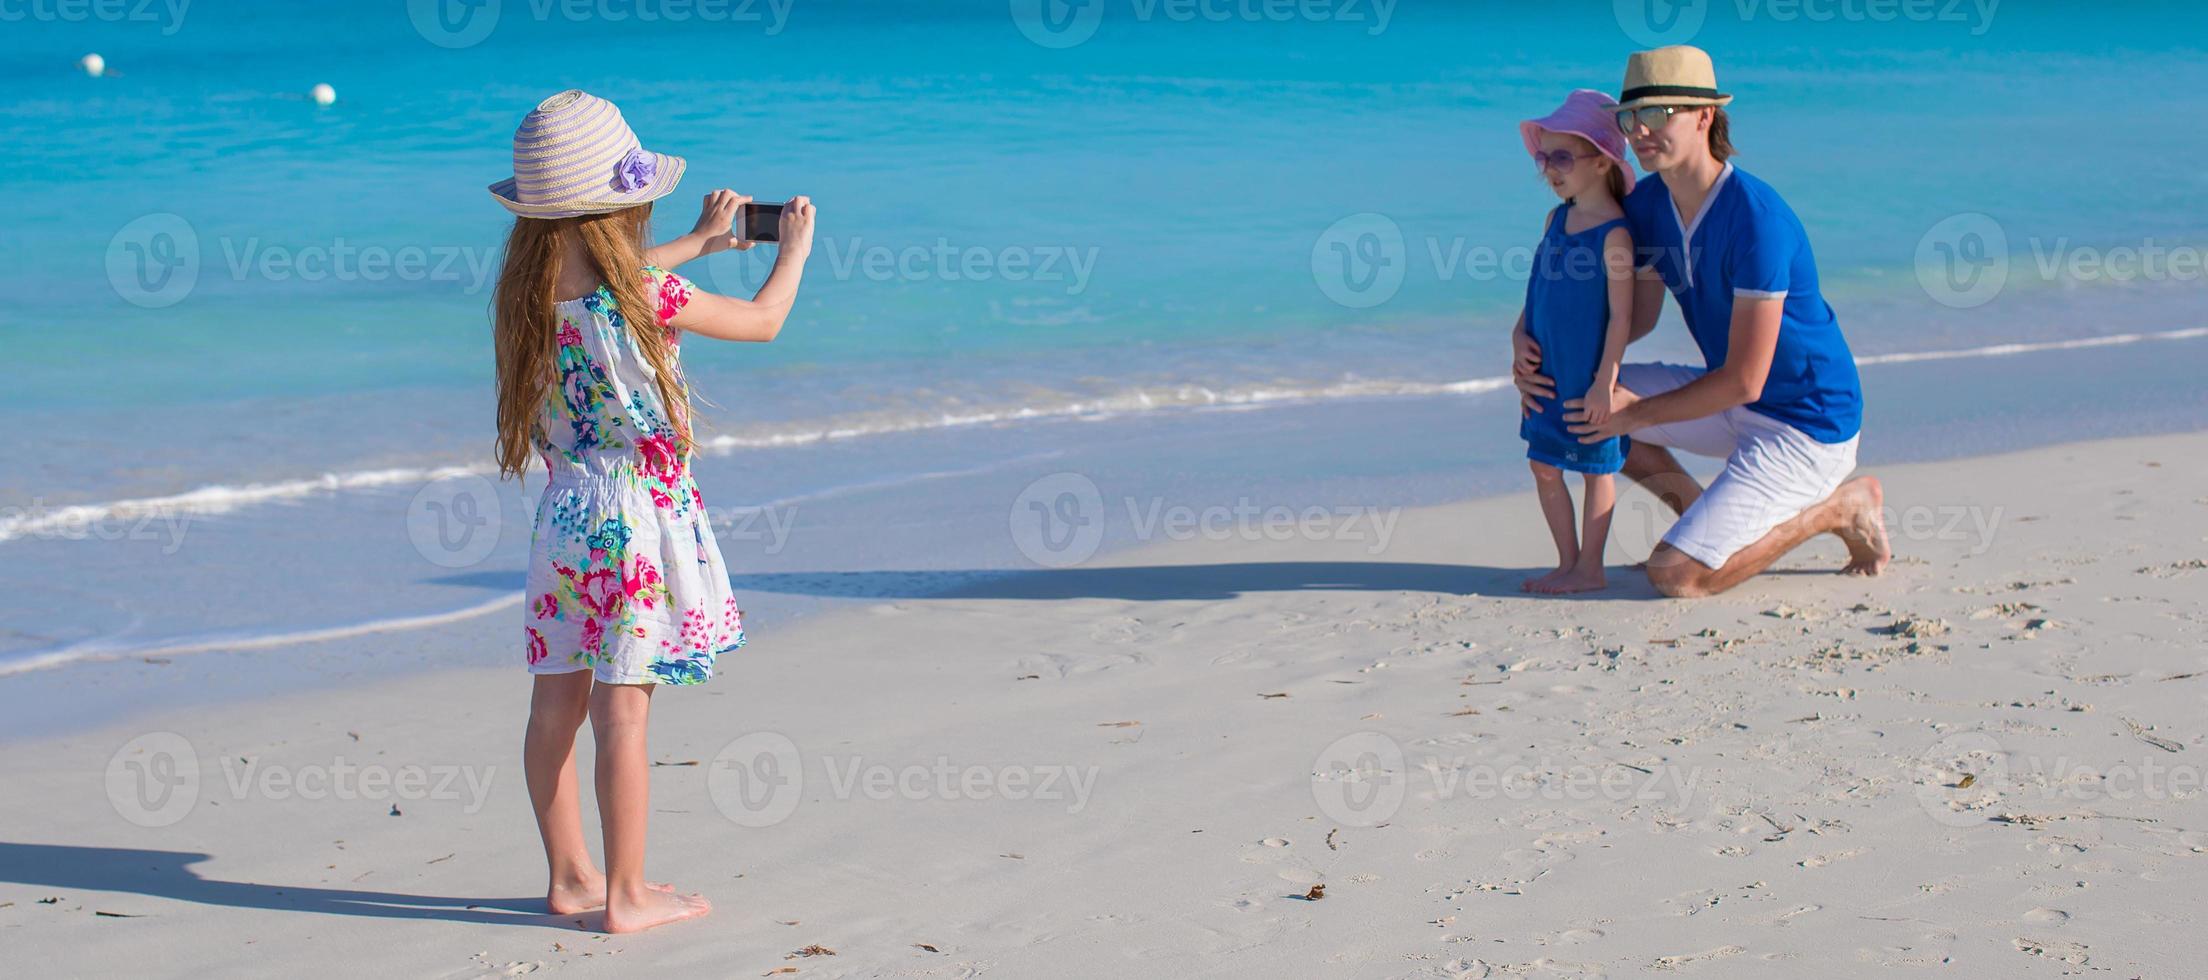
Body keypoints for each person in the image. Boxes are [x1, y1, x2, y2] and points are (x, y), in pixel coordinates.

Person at [487, 90, 816, 932]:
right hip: (634, 516)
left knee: (553, 703)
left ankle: (571, 877)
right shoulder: (649, 290)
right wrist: (795, 253)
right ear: (624, 203)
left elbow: (617, 283)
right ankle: (626, 895)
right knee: (623, 711)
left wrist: (701, 244)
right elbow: (764, 322)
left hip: (564, 514)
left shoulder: (526, 292)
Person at [1512, 47, 1888, 597]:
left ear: (1704, 116)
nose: (1640, 130)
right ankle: (1698, 518)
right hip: (1728, 400)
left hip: (1805, 423)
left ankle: (1838, 509)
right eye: (1629, 117)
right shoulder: (1646, 210)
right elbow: (1628, 320)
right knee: (1590, 405)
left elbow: (1746, 380)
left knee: (1678, 577)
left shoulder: (1758, 222)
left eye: (1659, 114)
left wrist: (1632, 413)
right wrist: (1532, 349)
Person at [1512, 90, 1639, 594]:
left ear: (1603, 161)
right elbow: (1536, 293)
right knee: (1543, 464)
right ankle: (1567, 563)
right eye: (1545, 157)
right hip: (1545, 373)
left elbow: (1621, 320)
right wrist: (1517, 334)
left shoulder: (1615, 236)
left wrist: (1604, 382)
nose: (1550, 169)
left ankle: (1591, 567)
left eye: (1562, 157)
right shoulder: (1555, 221)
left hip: (1587, 375)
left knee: (1594, 467)